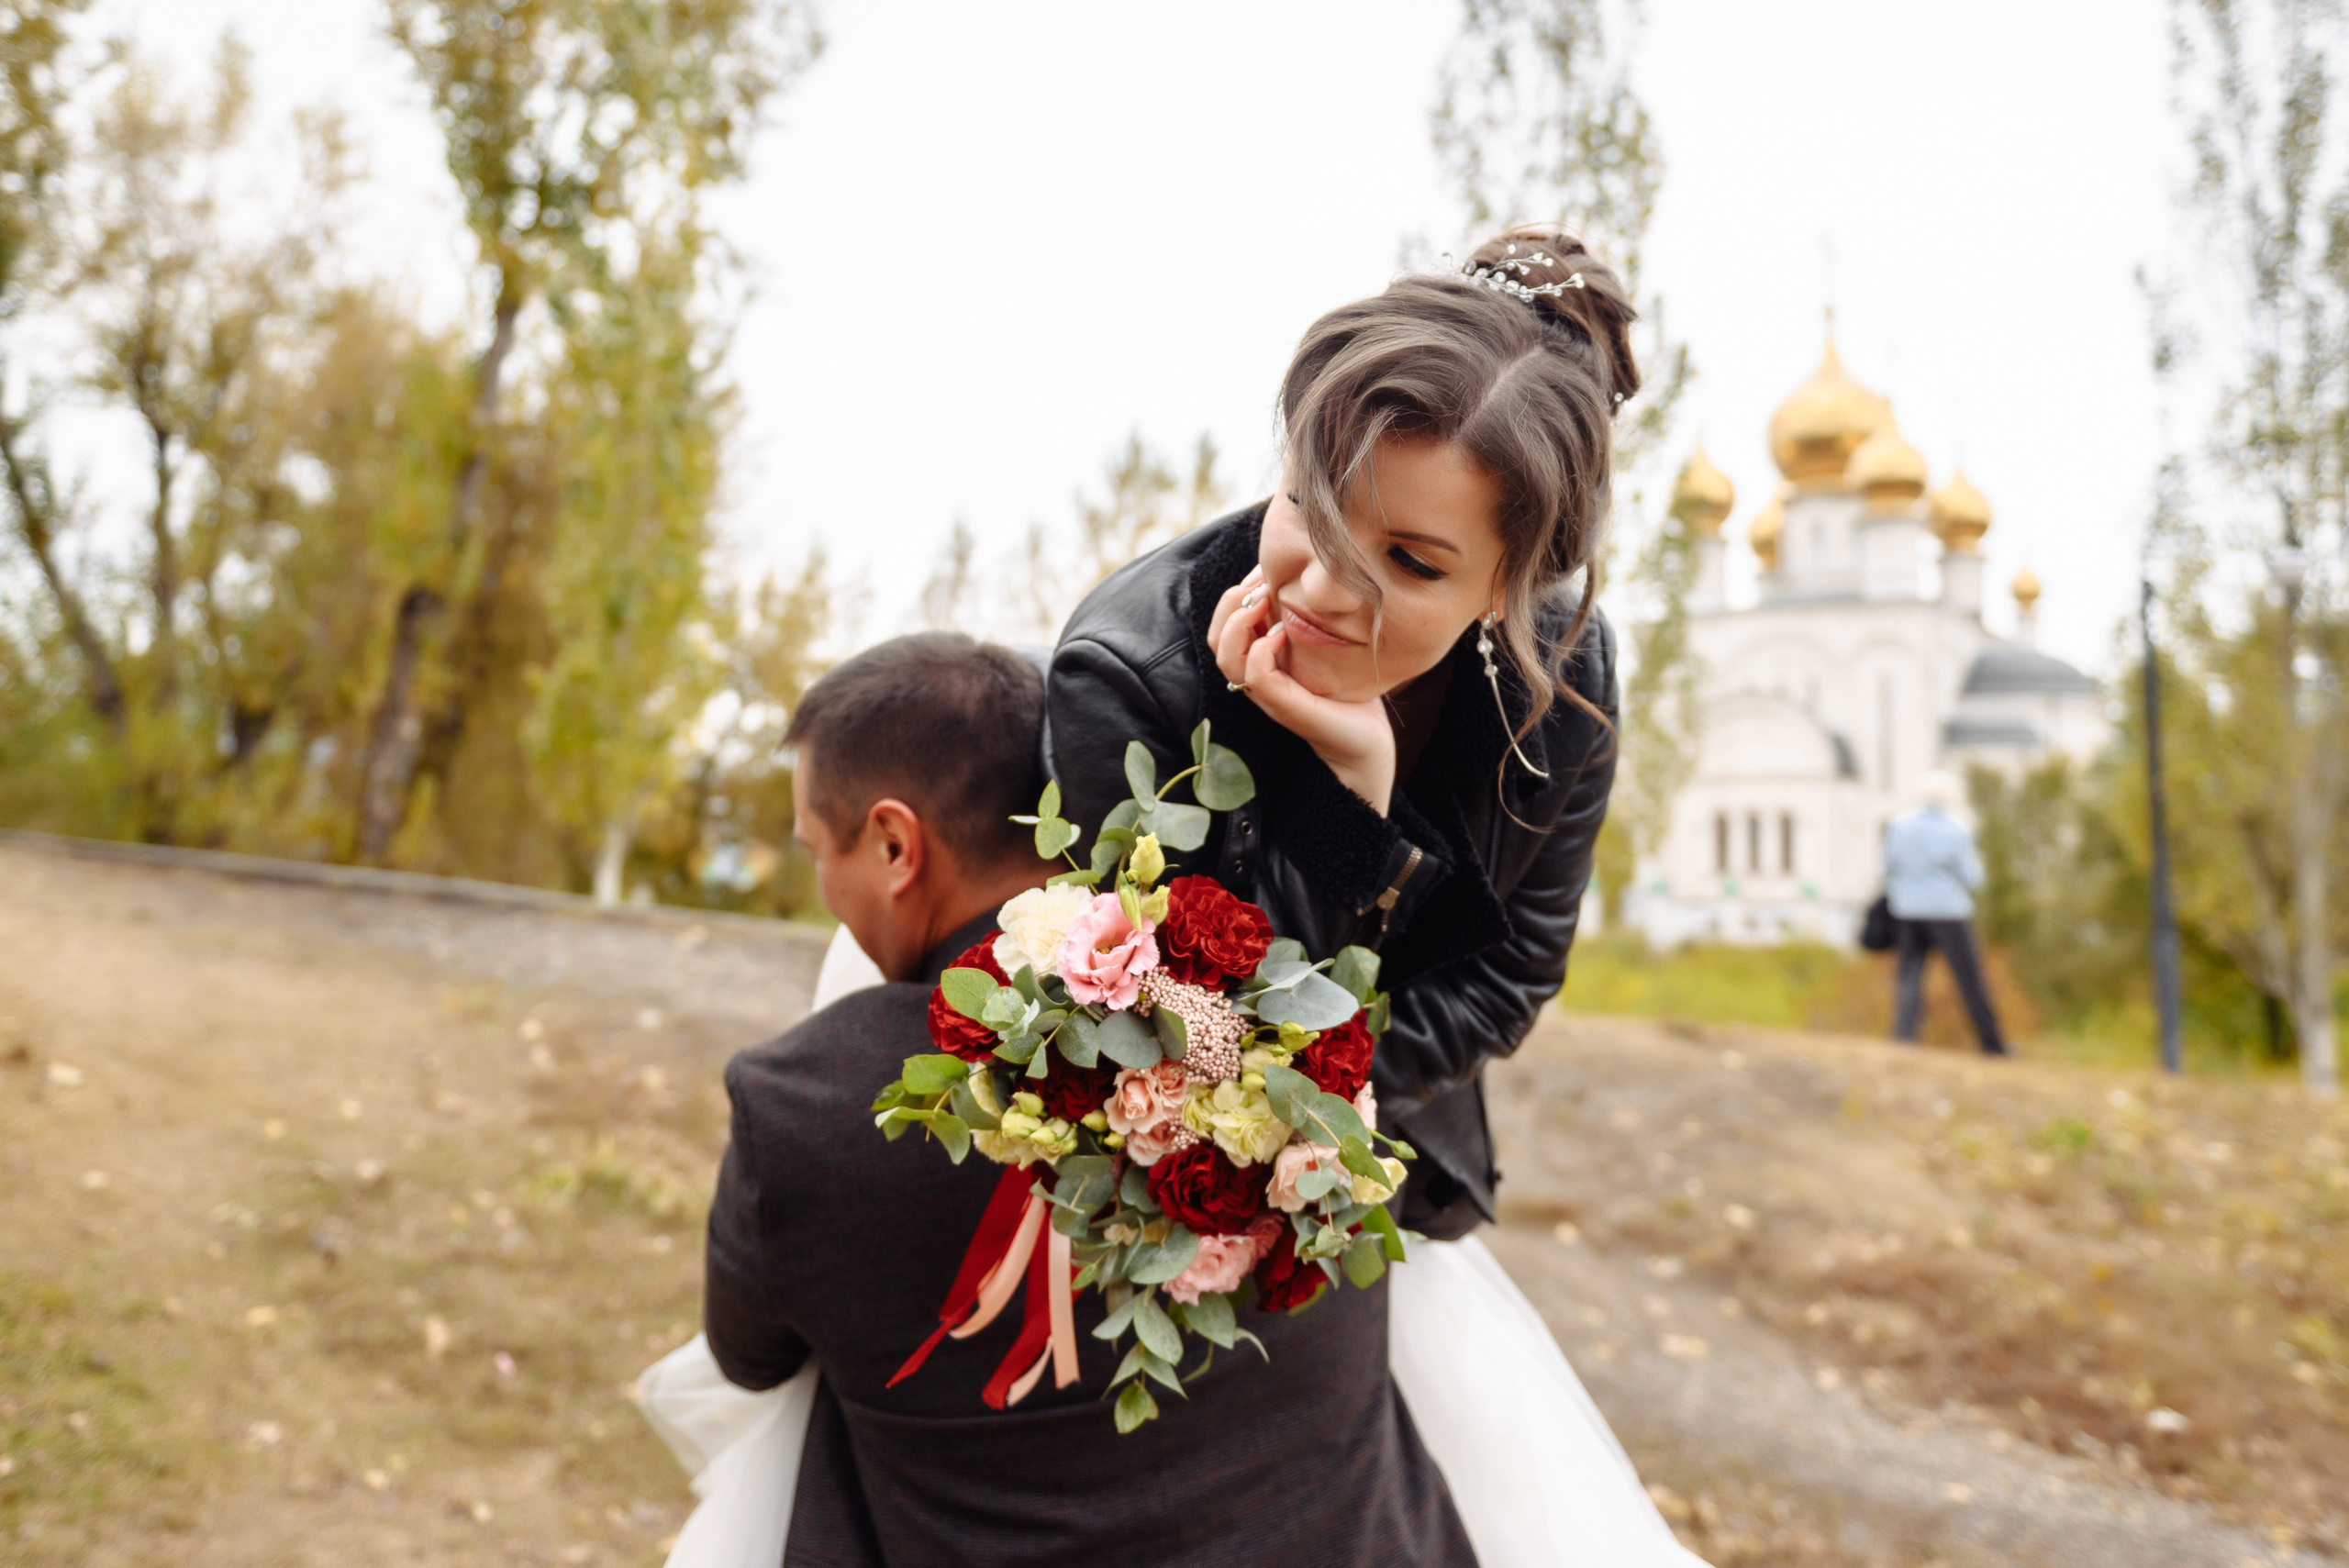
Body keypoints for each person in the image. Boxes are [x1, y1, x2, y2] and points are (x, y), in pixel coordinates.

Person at [669, 632, 1476, 1568]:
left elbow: (749, 1357)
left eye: (819, 847)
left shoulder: (805, 1105)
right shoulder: (1285, 1011)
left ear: (894, 842)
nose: (822, 884)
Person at [1045, 223, 1627, 1240]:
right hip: (1153, 1190)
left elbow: (1509, 977)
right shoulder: (1127, 675)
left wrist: (1329, 1114)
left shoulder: (1566, 683)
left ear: (1509, 586)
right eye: (1313, 504)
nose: (1321, 586)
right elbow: (1203, 1038)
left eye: (1410, 561)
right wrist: (1343, 807)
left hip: (1387, 1159)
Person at [1881, 770, 2009, 1055]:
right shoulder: (1955, 829)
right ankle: (1992, 1044)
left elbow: (1886, 869)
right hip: (1948, 910)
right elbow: (1973, 877)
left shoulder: (1899, 827)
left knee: (1909, 975)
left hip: (1907, 909)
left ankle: (1904, 1039)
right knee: (1969, 978)